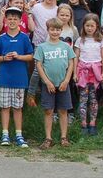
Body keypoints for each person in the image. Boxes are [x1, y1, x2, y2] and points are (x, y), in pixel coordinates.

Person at [0, 6, 34, 148]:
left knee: (17, 108)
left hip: (19, 79)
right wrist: (4, 58)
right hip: (5, 78)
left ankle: (18, 134)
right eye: (9, 19)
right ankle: (5, 134)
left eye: (15, 19)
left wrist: (19, 57)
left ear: (19, 21)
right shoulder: (1, 38)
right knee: (5, 107)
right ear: (5, 20)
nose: (12, 21)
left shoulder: (24, 38)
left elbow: (30, 56)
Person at [35, 18, 75, 149]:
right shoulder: (42, 47)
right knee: (48, 111)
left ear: (61, 30)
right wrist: (47, 82)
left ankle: (64, 137)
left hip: (63, 84)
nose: (55, 32)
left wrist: (66, 80)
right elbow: (39, 65)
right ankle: (48, 138)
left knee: (63, 110)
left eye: (58, 30)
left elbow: (71, 63)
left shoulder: (65, 46)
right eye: (52, 29)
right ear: (48, 30)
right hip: (48, 85)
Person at [74, 14, 103, 136]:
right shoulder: (80, 40)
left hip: (96, 72)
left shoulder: (101, 40)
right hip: (83, 72)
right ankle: (83, 123)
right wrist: (75, 73)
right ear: (83, 26)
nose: (89, 28)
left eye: (92, 26)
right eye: (87, 25)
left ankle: (93, 123)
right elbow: (76, 57)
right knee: (83, 98)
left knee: (93, 98)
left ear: (97, 26)